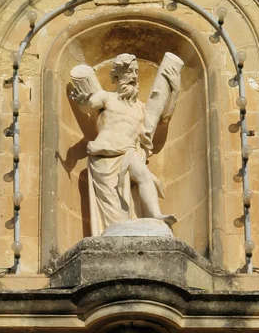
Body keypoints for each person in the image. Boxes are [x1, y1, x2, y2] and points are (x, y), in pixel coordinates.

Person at [70, 53, 181, 236]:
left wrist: (175, 91)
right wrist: (83, 101)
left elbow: (164, 117)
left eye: (136, 72)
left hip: (128, 151)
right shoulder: (106, 97)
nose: (134, 76)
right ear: (117, 76)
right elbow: (90, 105)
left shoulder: (141, 107)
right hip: (104, 155)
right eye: (129, 72)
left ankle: (156, 215)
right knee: (116, 214)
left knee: (144, 175)